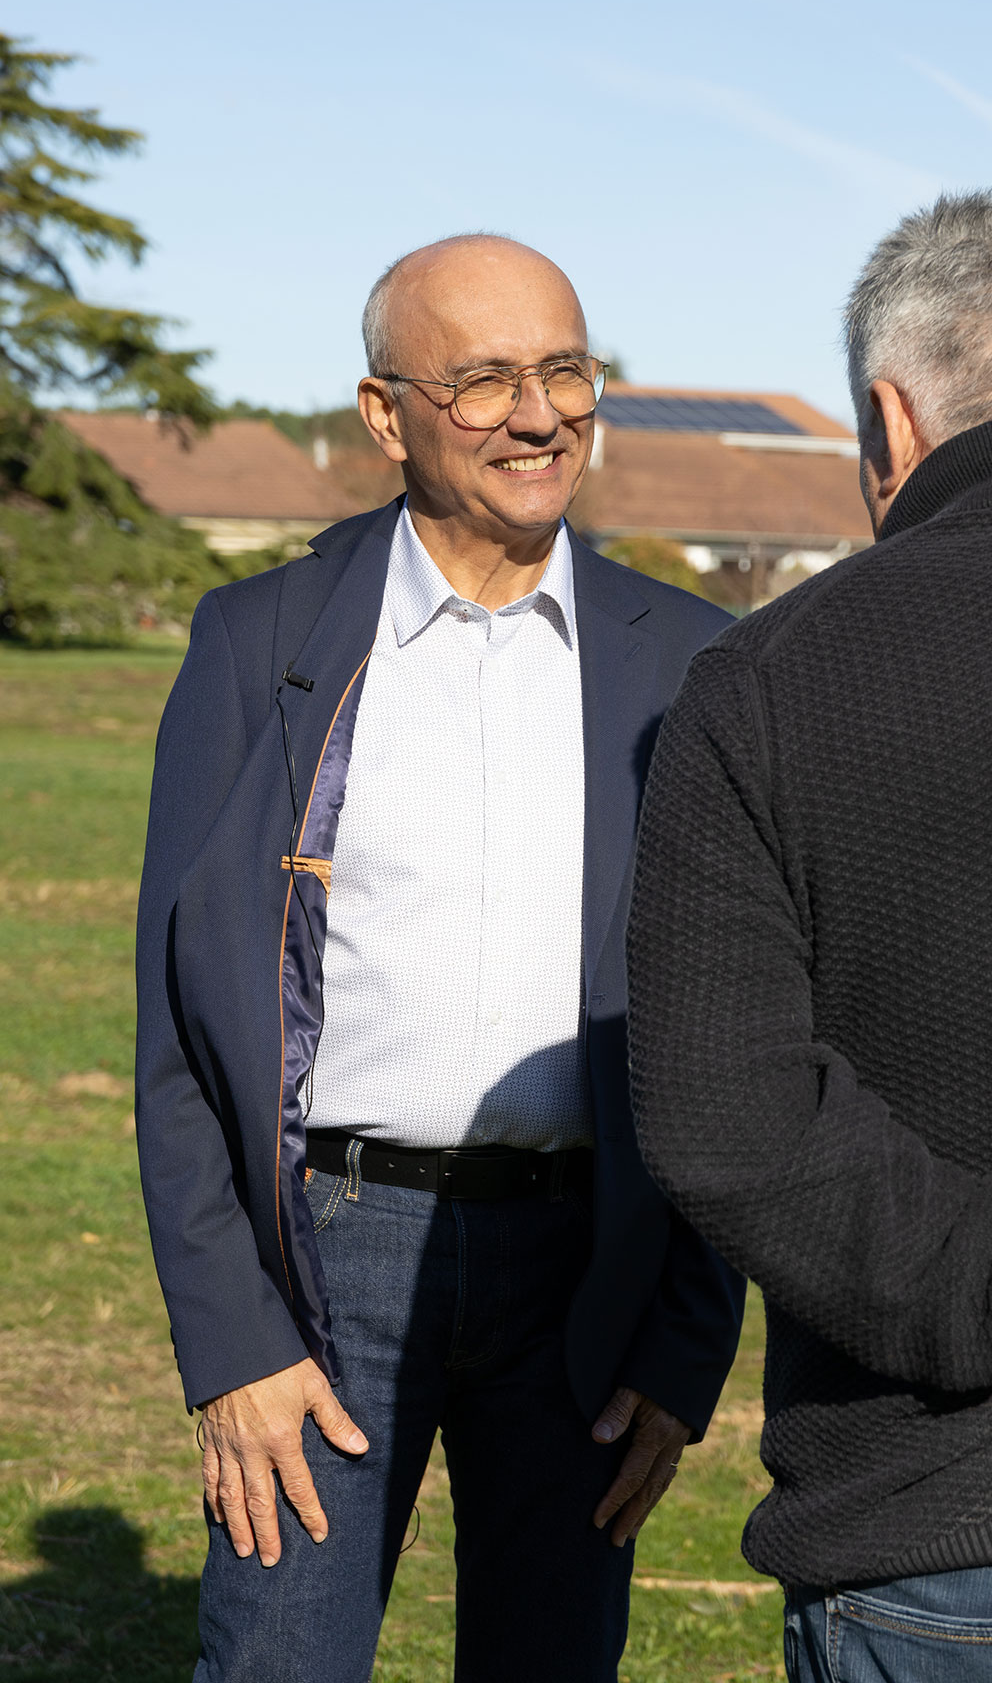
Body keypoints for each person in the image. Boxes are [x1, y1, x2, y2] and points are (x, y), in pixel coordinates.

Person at [135, 233, 744, 1683]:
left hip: (584, 1276)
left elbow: (742, 1032)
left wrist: (679, 1346)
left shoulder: (699, 670)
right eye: (481, 381)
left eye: (565, 372)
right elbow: (177, 1036)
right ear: (383, 412)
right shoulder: (254, 644)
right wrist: (229, 1343)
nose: (538, 416)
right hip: (320, 1272)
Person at [627, 191, 992, 1681]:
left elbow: (729, 1120)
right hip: (969, 1553)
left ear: (890, 420)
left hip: (952, 1555)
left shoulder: (764, 682)